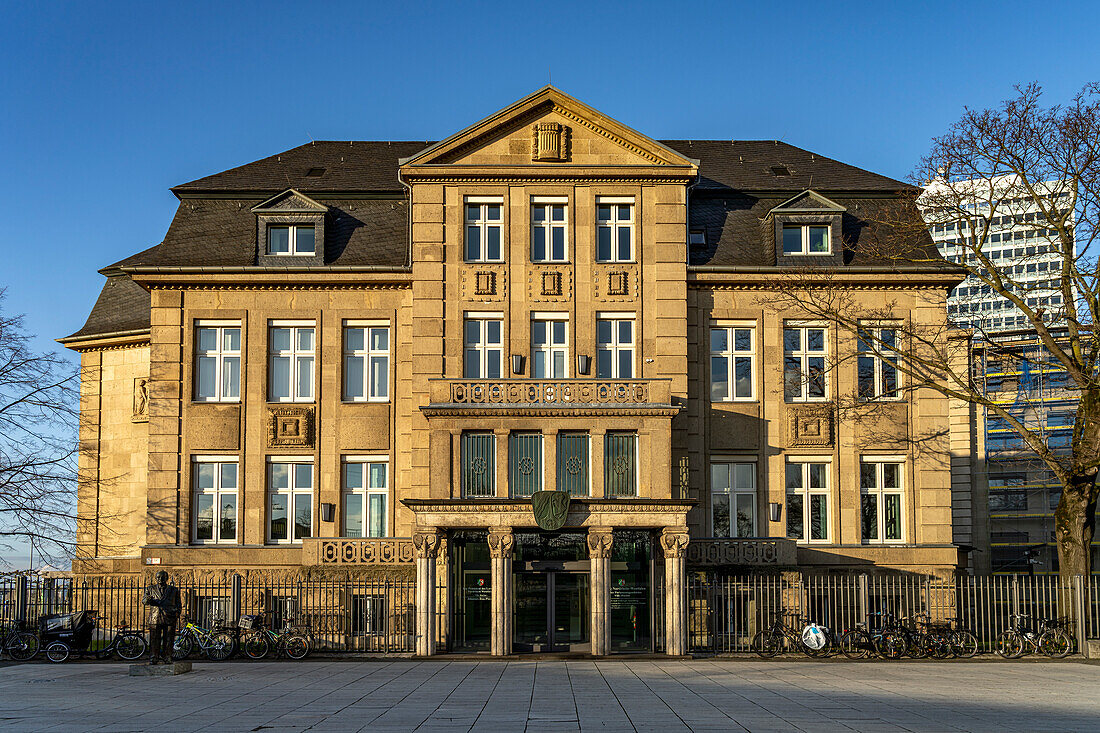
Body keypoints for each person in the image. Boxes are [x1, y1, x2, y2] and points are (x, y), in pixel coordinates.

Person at [141, 570, 181, 664]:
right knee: (154, 638)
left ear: (166, 578)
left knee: (169, 638)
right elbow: (144, 601)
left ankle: (167, 656)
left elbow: (178, 604)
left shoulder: (173, 590)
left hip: (169, 617)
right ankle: (154, 656)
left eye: (162, 577)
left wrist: (176, 614)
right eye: (158, 577)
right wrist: (147, 600)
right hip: (155, 617)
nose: (160, 579)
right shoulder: (150, 589)